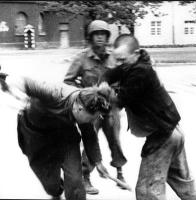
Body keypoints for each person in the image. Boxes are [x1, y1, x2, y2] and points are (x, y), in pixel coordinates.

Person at [101, 34, 196, 200]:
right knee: (185, 186)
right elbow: (112, 73)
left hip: (164, 137)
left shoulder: (141, 72)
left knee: (147, 191)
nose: (119, 64)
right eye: (117, 59)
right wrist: (105, 80)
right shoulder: (131, 65)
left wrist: (105, 91)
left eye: (123, 60)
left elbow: (121, 99)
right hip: (173, 133)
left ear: (136, 54)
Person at [2, 75, 112, 200]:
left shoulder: (87, 106)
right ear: (79, 109)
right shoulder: (54, 93)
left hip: (65, 136)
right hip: (36, 137)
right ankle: (56, 190)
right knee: (51, 186)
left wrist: (98, 162)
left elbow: (90, 137)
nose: (94, 120)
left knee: (75, 180)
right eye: (93, 117)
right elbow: (26, 82)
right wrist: (8, 84)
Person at [64, 20, 127, 194]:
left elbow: (123, 80)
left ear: (107, 37)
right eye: (96, 34)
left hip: (110, 107)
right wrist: (82, 94)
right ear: (90, 37)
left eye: (103, 34)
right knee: (90, 141)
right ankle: (86, 178)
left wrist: (117, 95)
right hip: (90, 109)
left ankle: (119, 173)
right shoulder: (81, 58)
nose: (100, 37)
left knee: (115, 139)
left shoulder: (113, 57)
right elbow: (67, 81)